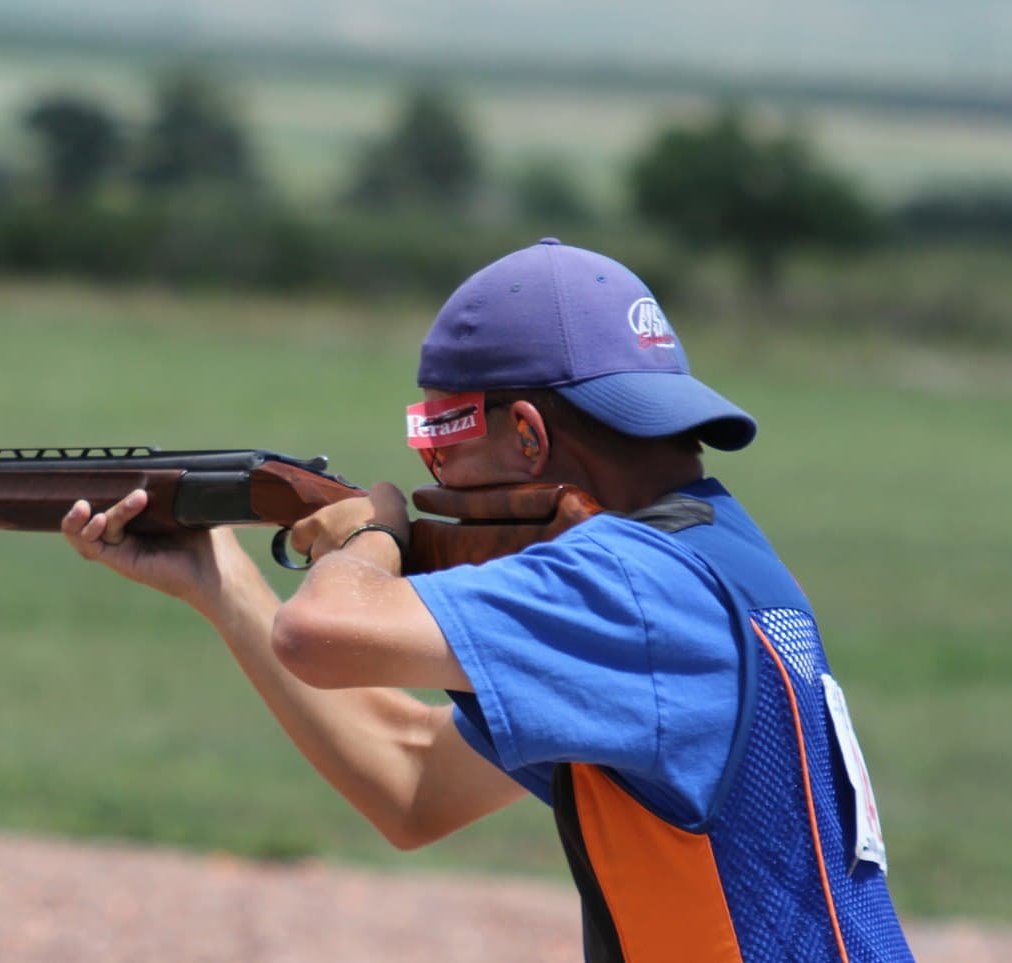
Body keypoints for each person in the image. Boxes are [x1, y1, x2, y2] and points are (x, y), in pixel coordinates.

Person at [60, 238, 913, 962]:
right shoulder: (716, 558)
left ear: (530, 437)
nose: (434, 475)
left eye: (441, 438)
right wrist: (222, 580)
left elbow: (321, 633)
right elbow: (414, 783)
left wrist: (375, 535)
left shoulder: (631, 581)